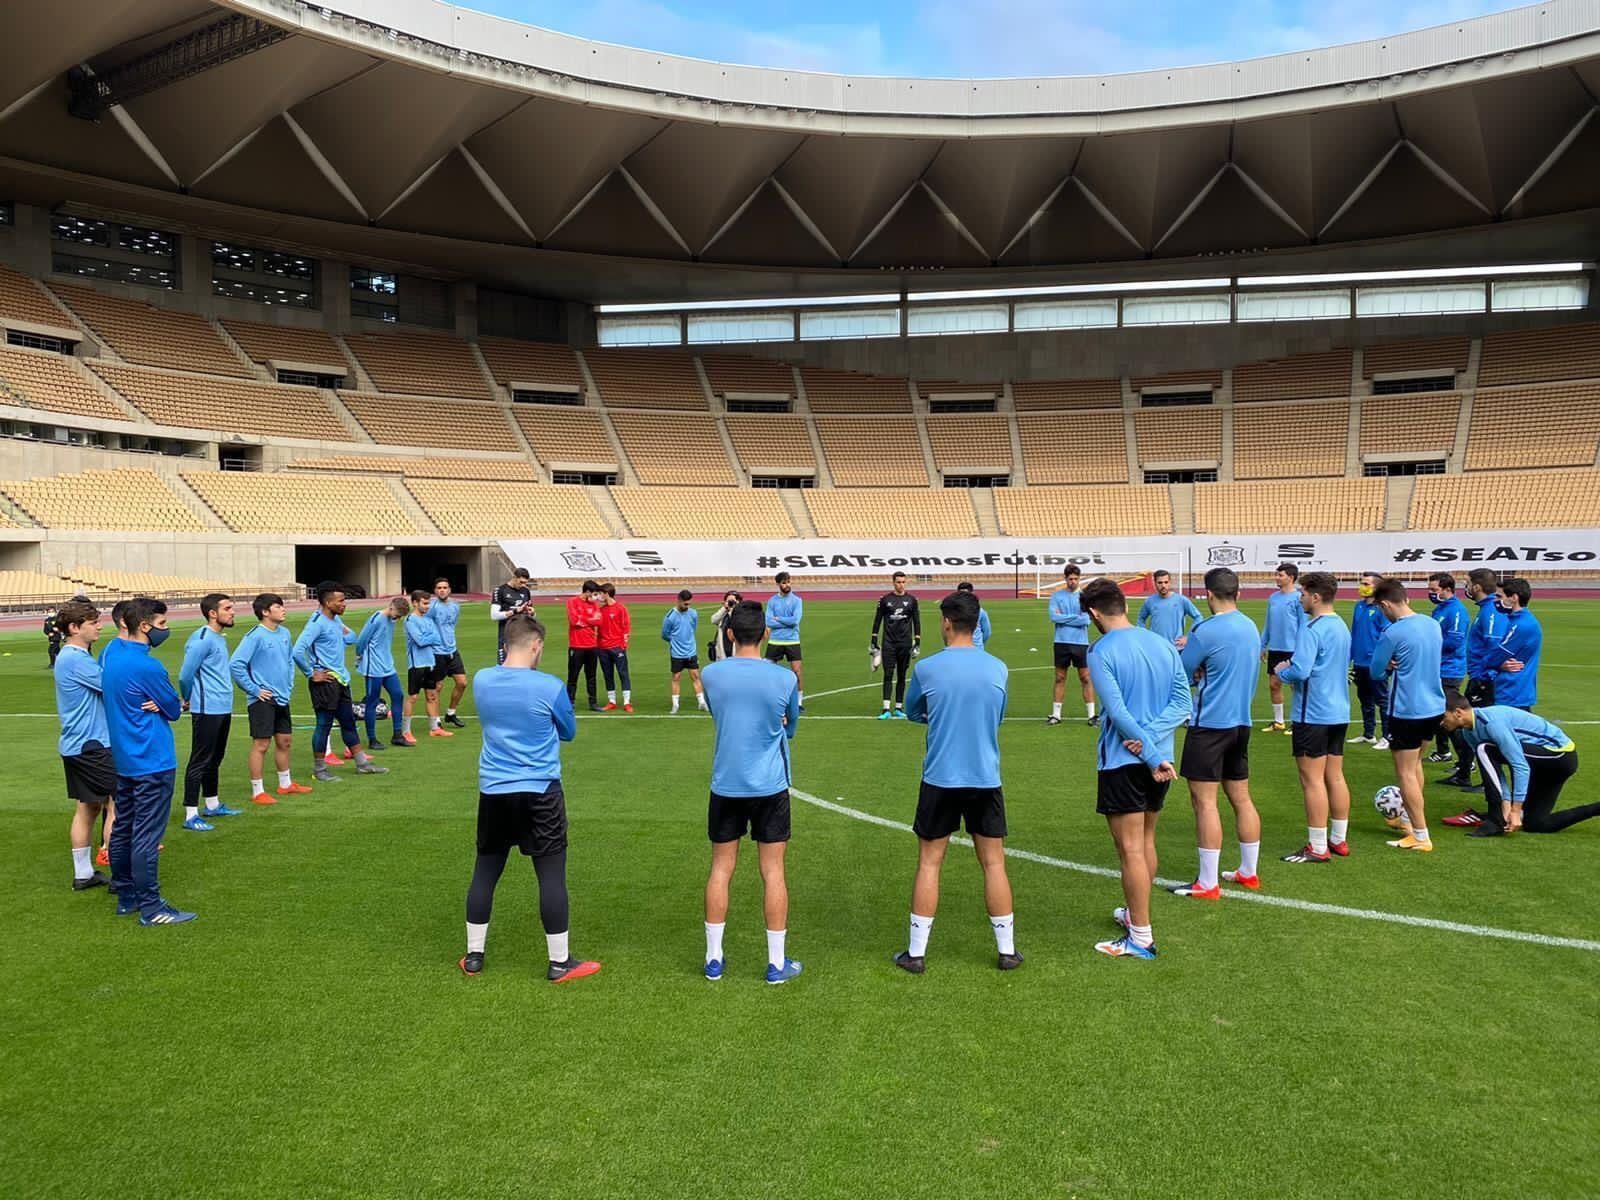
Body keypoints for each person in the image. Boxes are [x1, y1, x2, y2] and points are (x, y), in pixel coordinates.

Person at [459, 614, 599, 983]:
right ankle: (559, 962)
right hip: (539, 790)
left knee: (485, 870)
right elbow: (568, 731)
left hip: (494, 789)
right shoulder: (549, 686)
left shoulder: (483, 680)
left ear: (505, 644)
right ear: (536, 645)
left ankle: (474, 956)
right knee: (550, 875)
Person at [893, 590, 1021, 975]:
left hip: (940, 777)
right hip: (985, 776)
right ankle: (1007, 950)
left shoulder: (928, 668)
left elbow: (913, 711)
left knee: (929, 863)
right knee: (993, 863)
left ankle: (916, 953)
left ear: (947, 622)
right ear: (977, 623)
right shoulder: (997, 668)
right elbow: (998, 715)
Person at [1083, 578, 1191, 959]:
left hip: (1125, 761)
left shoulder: (1100, 651)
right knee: (1145, 840)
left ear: (1094, 614)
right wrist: (1155, 743)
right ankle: (1135, 915)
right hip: (1163, 761)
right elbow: (1183, 703)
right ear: (1125, 605)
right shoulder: (1162, 644)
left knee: (1129, 848)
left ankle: (1141, 936)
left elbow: (1117, 712)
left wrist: (1145, 748)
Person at [701, 600, 803, 984]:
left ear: (730, 634)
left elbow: (719, 714)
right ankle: (776, 963)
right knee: (773, 871)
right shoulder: (784, 679)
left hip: (726, 783)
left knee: (721, 868)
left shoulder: (712, 674)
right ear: (766, 634)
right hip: (769, 785)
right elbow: (790, 727)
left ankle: (714, 958)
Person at [1172, 567, 1262, 898]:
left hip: (1210, 725)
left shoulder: (1205, 630)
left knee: (1204, 802)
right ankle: (1248, 871)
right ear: (1237, 593)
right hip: (1241, 723)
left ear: (1209, 594)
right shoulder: (1250, 626)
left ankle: (1208, 882)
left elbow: (1182, 672)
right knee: (1241, 797)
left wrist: (1196, 667)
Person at [102, 597, 192, 925]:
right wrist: (168, 703)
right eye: (162, 623)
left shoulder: (111, 654)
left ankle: (126, 897)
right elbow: (174, 709)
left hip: (125, 757)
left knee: (123, 827)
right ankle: (152, 908)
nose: (166, 629)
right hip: (152, 758)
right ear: (144, 625)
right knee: (146, 835)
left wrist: (160, 702)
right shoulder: (148, 666)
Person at [1274, 572, 1354, 864]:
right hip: (1338, 712)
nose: (1300, 599)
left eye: (1304, 594)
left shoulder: (1311, 629)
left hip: (1314, 714)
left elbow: (1300, 671)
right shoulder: (1341, 625)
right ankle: (1338, 839)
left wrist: (1282, 671)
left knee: (1312, 780)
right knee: (1335, 775)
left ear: (1316, 597)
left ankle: (1318, 846)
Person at [1438, 695, 1594, 836]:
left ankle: (1496, 817)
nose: (1441, 723)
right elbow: (1493, 770)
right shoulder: (1468, 732)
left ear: (1458, 713)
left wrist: (1515, 810)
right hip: (1545, 764)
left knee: (1484, 748)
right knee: (1535, 824)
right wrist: (1507, 805)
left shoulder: (1492, 723)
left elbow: (1520, 766)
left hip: (1560, 756)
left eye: (1443, 717)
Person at [1370, 578, 1445, 853]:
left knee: (1405, 773)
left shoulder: (1392, 633)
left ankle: (1420, 834)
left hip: (1407, 709)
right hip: (1434, 706)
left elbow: (1376, 671)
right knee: (1415, 767)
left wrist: (1390, 665)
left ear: (1385, 605)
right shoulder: (1432, 624)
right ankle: (1408, 820)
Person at [292, 581, 389, 783]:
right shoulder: (316, 624)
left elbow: (352, 638)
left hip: (341, 679)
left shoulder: (335, 620)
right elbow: (297, 651)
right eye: (341, 601)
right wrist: (311, 673)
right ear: (328, 603)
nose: (345, 604)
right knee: (324, 725)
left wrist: (342, 630)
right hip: (325, 681)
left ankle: (362, 764)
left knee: (348, 722)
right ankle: (320, 769)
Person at [54, 600, 114, 891]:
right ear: (74, 628)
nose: (99, 626)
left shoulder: (72, 656)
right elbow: (112, 687)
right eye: (93, 622)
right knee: (119, 802)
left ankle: (83, 874)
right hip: (93, 745)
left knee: (88, 807)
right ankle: (121, 870)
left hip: (77, 745)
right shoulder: (75, 658)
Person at [229, 593, 310, 805]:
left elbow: (289, 661)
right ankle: (258, 791)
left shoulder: (284, 633)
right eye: (278, 606)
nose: (284, 609)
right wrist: (254, 690)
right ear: (265, 612)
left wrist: (288, 685)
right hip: (262, 700)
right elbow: (236, 664)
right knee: (261, 744)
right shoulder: (255, 636)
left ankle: (285, 784)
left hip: (282, 697)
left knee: (285, 741)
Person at [177, 593, 241, 830]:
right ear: (213, 613)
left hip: (222, 706)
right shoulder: (202, 639)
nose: (232, 612)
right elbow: (185, 674)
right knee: (200, 760)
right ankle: (190, 814)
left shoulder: (218, 637)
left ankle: (212, 805)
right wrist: (187, 697)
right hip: (206, 708)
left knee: (215, 757)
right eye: (228, 608)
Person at [1440, 567, 1504, 789]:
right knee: (1469, 728)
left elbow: (1494, 645)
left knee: (1479, 728)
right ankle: (1464, 772)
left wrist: (1486, 676)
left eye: (1467, 583)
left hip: (1483, 680)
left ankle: (1487, 781)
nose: (1466, 587)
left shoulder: (1491, 611)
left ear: (1477, 586)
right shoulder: (1486, 609)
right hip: (1478, 677)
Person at [1425, 573, 1470, 764]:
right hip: (1438, 668)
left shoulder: (1457, 611)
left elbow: (1454, 641)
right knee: (1439, 713)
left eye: (1434, 590)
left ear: (1448, 589)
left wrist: (1428, 644)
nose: (1430, 593)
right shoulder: (1439, 609)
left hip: (1450, 670)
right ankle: (1443, 751)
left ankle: (1466, 760)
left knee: (1450, 714)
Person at [355, 595, 410, 750]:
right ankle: (372, 739)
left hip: (387, 665)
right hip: (373, 667)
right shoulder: (376, 619)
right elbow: (361, 640)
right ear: (391, 607)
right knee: (372, 701)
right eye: (397, 615)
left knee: (398, 695)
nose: (398, 619)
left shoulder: (391, 619)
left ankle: (397, 735)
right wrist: (359, 656)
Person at [1047, 566, 1095, 726]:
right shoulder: (1057, 596)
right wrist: (1076, 617)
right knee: (1060, 677)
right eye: (1070, 579)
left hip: (1081, 642)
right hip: (1061, 642)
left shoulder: (1084, 597)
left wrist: (1064, 617)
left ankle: (1091, 715)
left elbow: (1086, 620)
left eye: (1075, 579)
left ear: (1079, 579)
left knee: (1085, 677)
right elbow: (1054, 617)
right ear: (1065, 579)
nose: (1073, 581)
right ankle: (1056, 715)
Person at [1260, 563, 1305, 734]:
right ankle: (1279, 721)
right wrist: (1262, 645)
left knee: (1295, 686)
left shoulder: (1299, 598)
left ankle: (1298, 721)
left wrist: (1302, 647)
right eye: (1276, 574)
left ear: (1291, 577)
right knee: (1274, 684)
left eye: (1280, 575)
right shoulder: (1273, 598)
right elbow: (1268, 623)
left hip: (1292, 649)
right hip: (1275, 648)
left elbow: (1303, 625)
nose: (1277, 578)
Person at [1347, 571, 1391, 748]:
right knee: (1364, 699)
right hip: (1359, 662)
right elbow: (1355, 632)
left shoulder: (1382, 608)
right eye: (1361, 583)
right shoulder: (1359, 606)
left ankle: (1387, 736)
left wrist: (1385, 658)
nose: (1362, 587)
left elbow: (1387, 635)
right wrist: (1350, 657)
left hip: (1375, 663)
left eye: (1366, 584)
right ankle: (1368, 734)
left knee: (1382, 700)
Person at [1485, 578, 1542, 712]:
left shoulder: (1521, 625)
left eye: (1499, 596)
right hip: (1512, 690)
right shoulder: (1517, 620)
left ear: (1514, 598)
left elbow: (1494, 658)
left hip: (1512, 692)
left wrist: (1491, 662)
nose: (1495, 601)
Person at [871, 571, 921, 720]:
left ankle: (899, 707)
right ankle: (886, 708)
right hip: (889, 642)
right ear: (893, 582)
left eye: (903, 582)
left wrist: (917, 641)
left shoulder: (912, 600)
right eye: (898, 582)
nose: (901, 585)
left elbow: (916, 621)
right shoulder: (885, 600)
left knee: (902, 675)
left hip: (905, 642)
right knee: (888, 674)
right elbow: (878, 619)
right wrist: (874, 638)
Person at [403, 588, 448, 741]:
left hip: (430, 662)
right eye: (424, 603)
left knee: (432, 695)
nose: (427, 606)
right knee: (413, 697)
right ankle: (406, 731)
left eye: (428, 603)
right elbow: (420, 641)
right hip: (417, 664)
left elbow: (437, 639)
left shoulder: (428, 620)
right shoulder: (410, 620)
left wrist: (427, 637)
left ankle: (435, 728)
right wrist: (429, 637)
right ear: (415, 603)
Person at [429, 577, 468, 728]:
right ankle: (436, 719)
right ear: (435, 591)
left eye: (444, 587)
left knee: (462, 683)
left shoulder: (455, 606)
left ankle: (451, 713)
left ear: (449, 590)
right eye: (439, 588)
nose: (442, 590)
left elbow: (452, 625)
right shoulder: (432, 607)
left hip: (452, 650)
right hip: (437, 652)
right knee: (437, 687)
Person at [763, 571, 804, 709]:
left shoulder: (797, 600)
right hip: (775, 641)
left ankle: (799, 701)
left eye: (788, 582)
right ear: (778, 584)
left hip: (792, 640)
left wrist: (778, 619)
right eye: (784, 583)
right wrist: (786, 622)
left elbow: (795, 621)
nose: (787, 585)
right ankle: (771, 698)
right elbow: (769, 621)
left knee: (797, 671)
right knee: (768, 671)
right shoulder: (772, 601)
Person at [662, 590, 707, 713]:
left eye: (689, 604)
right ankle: (675, 704)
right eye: (685, 604)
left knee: (695, 675)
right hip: (677, 653)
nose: (687, 606)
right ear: (679, 600)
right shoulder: (670, 617)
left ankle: (701, 702)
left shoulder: (693, 613)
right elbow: (665, 634)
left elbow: (693, 628)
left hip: (691, 651)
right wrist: (675, 641)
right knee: (676, 677)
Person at [564, 580, 604, 713]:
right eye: (594, 594)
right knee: (573, 675)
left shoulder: (594, 604)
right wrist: (590, 620)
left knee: (591, 676)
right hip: (576, 645)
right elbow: (574, 621)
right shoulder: (572, 602)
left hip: (592, 645)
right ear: (587, 592)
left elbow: (599, 620)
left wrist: (583, 619)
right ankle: (570, 702)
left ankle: (593, 702)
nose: (595, 597)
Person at [1138, 570, 1201, 647]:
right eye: (1160, 583)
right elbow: (1141, 618)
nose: (1163, 585)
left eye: (1166, 582)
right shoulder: (1150, 601)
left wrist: (1188, 637)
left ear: (1170, 582)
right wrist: (1144, 635)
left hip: (1176, 647)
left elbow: (1198, 617)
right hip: (1156, 646)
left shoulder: (1181, 600)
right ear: (1154, 583)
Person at [597, 582, 633, 712]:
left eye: (601, 593)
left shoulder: (620, 609)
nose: (599, 596)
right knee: (608, 675)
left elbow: (626, 627)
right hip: (602, 648)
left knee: (623, 674)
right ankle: (612, 701)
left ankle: (627, 702)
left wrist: (623, 645)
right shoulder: (600, 610)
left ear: (607, 594)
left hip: (617, 647)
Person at [490, 565, 534, 665]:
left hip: (523, 636)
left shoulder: (526, 591)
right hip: (506, 636)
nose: (523, 585)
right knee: (504, 668)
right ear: (514, 577)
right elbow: (494, 615)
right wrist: (514, 611)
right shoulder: (500, 590)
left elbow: (530, 612)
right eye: (521, 582)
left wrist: (532, 613)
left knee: (524, 668)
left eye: (525, 583)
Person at [956, 581, 993, 652]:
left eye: (966, 594)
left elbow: (987, 632)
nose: (963, 597)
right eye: (960, 594)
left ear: (971, 594)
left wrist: (979, 643)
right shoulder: (953, 612)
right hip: (959, 649)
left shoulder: (980, 611)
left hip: (976, 649)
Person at [708, 590, 742, 663]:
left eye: (732, 601)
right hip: (722, 653)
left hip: (736, 654)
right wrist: (724, 608)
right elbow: (713, 620)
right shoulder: (723, 614)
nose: (730, 603)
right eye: (728, 601)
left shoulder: (743, 614)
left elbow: (737, 621)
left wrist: (733, 609)